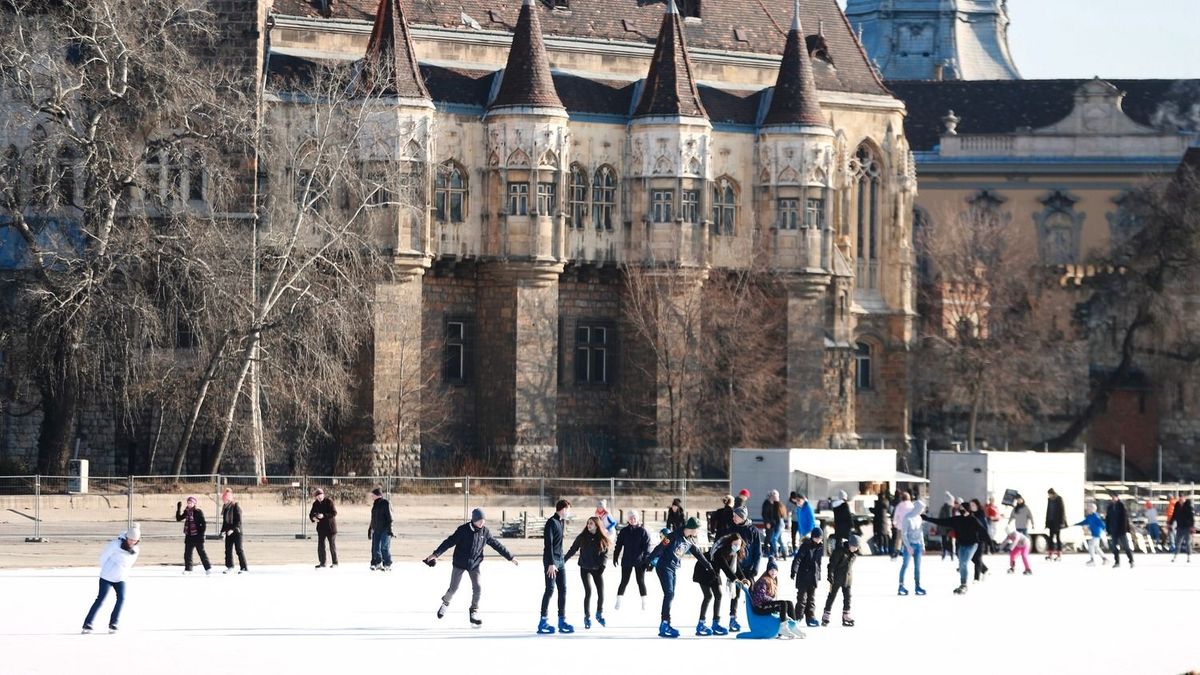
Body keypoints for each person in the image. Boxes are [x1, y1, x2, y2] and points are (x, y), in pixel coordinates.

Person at [425, 507, 516, 627]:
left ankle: (474, 611)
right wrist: (436, 554)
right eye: (479, 520)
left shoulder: (485, 532)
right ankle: (445, 603)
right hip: (460, 563)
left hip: (475, 564)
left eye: (483, 520)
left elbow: (497, 545)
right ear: (474, 520)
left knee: (478, 588)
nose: (482, 522)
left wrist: (510, 557)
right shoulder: (463, 530)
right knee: (453, 589)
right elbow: (449, 542)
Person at [648, 517, 713, 638]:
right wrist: (648, 560)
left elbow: (698, 553)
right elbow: (659, 548)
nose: (698, 532)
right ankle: (665, 624)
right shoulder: (673, 536)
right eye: (697, 529)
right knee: (669, 594)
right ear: (692, 528)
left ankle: (665, 623)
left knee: (671, 594)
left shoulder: (689, 540)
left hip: (673, 568)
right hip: (663, 567)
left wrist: (709, 566)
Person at [82, 524, 140, 633]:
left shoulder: (136, 550)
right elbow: (103, 557)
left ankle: (114, 623)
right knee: (100, 599)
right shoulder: (115, 544)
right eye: (130, 539)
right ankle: (87, 624)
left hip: (121, 578)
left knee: (121, 598)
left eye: (135, 540)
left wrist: (124, 574)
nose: (132, 542)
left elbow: (129, 565)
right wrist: (107, 569)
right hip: (107, 577)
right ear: (127, 537)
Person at [922, 501, 989, 594]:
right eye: (960, 509)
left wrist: (990, 545)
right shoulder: (957, 519)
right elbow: (942, 521)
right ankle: (962, 584)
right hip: (962, 545)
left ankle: (964, 585)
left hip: (972, 545)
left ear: (968, 510)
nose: (961, 511)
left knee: (964, 563)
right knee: (961, 564)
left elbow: (983, 532)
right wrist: (928, 519)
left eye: (963, 509)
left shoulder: (973, 520)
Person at [693, 531, 746, 635]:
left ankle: (715, 623)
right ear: (730, 543)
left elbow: (737, 568)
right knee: (708, 596)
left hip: (714, 572)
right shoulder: (720, 552)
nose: (737, 546)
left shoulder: (733, 554)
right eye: (735, 544)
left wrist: (743, 579)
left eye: (739, 545)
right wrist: (735, 580)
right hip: (703, 569)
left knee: (718, 595)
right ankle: (701, 624)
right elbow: (726, 569)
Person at [565, 515, 611, 629]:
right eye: (588, 523)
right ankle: (587, 616)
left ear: (596, 525)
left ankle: (599, 613)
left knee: (601, 593)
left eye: (591, 523)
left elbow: (605, 554)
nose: (588, 525)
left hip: (597, 569)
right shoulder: (582, 537)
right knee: (588, 592)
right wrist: (563, 560)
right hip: (585, 568)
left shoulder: (602, 538)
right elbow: (573, 549)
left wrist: (603, 566)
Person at [723, 506, 763, 632]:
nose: (733, 517)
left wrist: (755, 568)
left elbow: (758, 552)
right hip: (736, 568)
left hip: (749, 569)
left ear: (742, 516)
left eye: (735, 515)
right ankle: (732, 618)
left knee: (753, 595)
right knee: (735, 594)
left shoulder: (753, 531)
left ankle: (757, 618)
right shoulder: (732, 529)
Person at [538, 499, 573, 635]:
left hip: (560, 560)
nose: (568, 512)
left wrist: (561, 560)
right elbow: (549, 545)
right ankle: (542, 621)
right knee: (550, 589)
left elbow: (559, 544)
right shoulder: (551, 523)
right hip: (550, 561)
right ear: (563, 509)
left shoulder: (561, 522)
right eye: (568, 509)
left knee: (563, 589)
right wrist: (551, 563)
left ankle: (561, 620)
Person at [751, 559, 805, 638]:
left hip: (765, 604)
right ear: (768, 571)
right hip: (759, 607)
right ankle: (782, 628)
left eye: (775, 570)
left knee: (789, 603)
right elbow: (761, 596)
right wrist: (772, 600)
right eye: (771, 570)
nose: (773, 572)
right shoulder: (764, 580)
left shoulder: (773, 580)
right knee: (782, 603)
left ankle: (793, 626)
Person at [613, 510, 651, 610]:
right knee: (624, 581)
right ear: (628, 520)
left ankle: (644, 602)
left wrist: (647, 560)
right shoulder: (624, 531)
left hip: (640, 561)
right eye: (630, 518)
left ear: (637, 519)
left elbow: (647, 547)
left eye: (634, 518)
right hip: (627, 560)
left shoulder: (643, 531)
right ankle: (618, 601)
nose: (633, 520)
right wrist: (615, 555)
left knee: (641, 581)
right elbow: (619, 545)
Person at [821, 534, 859, 627]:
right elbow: (832, 564)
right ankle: (826, 615)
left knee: (848, 597)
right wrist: (830, 575)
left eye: (857, 547)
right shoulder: (839, 551)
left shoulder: (853, 554)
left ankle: (846, 615)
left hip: (847, 579)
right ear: (849, 544)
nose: (855, 549)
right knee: (832, 596)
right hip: (836, 579)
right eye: (854, 547)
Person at [790, 527, 824, 626]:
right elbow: (797, 559)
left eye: (820, 538)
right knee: (802, 599)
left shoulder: (820, 548)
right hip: (803, 577)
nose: (818, 540)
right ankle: (797, 617)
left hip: (813, 578)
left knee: (811, 599)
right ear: (812, 537)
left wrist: (819, 575)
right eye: (816, 538)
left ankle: (810, 618)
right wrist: (794, 571)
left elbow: (819, 563)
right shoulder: (805, 546)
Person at [175, 496, 211, 575]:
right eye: (188, 503)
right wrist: (178, 508)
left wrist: (202, 534)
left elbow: (203, 524)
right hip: (189, 536)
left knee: (201, 552)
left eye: (191, 503)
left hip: (197, 535)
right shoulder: (186, 511)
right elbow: (178, 518)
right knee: (187, 553)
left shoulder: (198, 512)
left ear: (194, 503)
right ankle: (188, 569)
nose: (189, 504)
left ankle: (208, 568)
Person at [897, 499, 926, 596]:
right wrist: (908, 546)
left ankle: (917, 586)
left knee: (917, 567)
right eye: (922, 508)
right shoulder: (907, 518)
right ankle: (901, 585)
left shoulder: (919, 518)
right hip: (909, 545)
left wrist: (923, 545)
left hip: (917, 545)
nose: (922, 510)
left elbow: (920, 532)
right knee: (905, 565)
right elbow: (903, 534)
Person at [220, 488, 248, 574]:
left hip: (237, 532)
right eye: (223, 500)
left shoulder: (236, 507)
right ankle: (230, 566)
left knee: (239, 549)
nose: (223, 501)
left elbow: (238, 522)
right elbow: (225, 522)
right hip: (229, 532)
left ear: (229, 499)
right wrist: (222, 531)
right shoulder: (225, 508)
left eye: (225, 500)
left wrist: (232, 529)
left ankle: (244, 568)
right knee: (228, 550)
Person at [309, 487, 338, 568]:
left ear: (323, 495)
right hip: (321, 528)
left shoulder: (329, 501)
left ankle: (335, 563)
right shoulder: (315, 504)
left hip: (330, 528)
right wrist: (313, 518)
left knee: (332, 546)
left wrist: (324, 516)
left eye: (320, 495)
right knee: (321, 546)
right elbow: (311, 514)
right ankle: (322, 563)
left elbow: (334, 513)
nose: (319, 497)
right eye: (317, 496)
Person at [1105, 493, 1135, 568]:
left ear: (1117, 497)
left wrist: (1124, 529)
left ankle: (1131, 561)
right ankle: (1117, 562)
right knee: (1114, 547)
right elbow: (1107, 519)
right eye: (1112, 498)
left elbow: (1125, 519)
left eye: (1114, 497)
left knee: (1126, 546)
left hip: (1121, 530)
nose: (1112, 499)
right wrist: (1108, 529)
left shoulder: (1121, 506)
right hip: (1113, 530)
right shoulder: (1110, 507)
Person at [367, 487, 393, 571]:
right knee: (376, 548)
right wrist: (370, 528)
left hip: (385, 529)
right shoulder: (375, 504)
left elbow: (390, 518)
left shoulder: (385, 503)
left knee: (384, 547)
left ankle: (387, 564)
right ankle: (378, 563)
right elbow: (373, 518)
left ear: (378, 495)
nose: (371, 497)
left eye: (373, 495)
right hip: (376, 529)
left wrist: (390, 530)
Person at [969, 498, 991, 581]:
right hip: (972, 540)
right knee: (972, 557)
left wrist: (986, 539)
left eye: (973, 505)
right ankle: (984, 569)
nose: (972, 507)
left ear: (977, 506)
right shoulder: (970, 515)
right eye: (971, 505)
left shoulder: (981, 515)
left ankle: (976, 578)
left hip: (980, 540)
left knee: (978, 558)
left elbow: (985, 528)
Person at [762, 490, 786, 559]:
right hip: (773, 523)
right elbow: (765, 514)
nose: (774, 497)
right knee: (777, 539)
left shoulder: (777, 504)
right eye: (772, 496)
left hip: (779, 523)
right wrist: (767, 522)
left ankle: (776, 553)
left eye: (775, 496)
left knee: (773, 538)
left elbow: (781, 515)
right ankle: (782, 554)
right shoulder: (767, 503)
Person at [1045, 488, 1067, 561]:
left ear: (1053, 493)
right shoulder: (1049, 500)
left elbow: (1062, 510)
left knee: (1057, 538)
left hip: (1057, 522)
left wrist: (1062, 522)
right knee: (1050, 538)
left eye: (1050, 494)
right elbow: (1048, 511)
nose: (1049, 495)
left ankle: (1059, 555)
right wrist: (1046, 522)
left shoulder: (1059, 499)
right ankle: (1050, 554)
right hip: (1051, 522)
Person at [891, 491, 914, 560]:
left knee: (899, 539)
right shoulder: (911, 505)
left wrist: (894, 522)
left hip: (900, 525)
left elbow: (896, 514)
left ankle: (896, 552)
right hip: (910, 525)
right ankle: (910, 551)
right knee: (909, 539)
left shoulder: (899, 505)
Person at [1171, 498, 1193, 563]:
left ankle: (1189, 557)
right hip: (1179, 527)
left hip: (1187, 528)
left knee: (1188, 543)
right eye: (1180, 500)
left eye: (1182, 500)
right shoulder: (1177, 507)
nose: (1180, 502)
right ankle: (1175, 556)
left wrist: (1191, 526)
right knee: (1177, 542)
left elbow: (1191, 517)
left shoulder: (1188, 507)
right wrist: (1170, 523)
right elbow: (1174, 516)